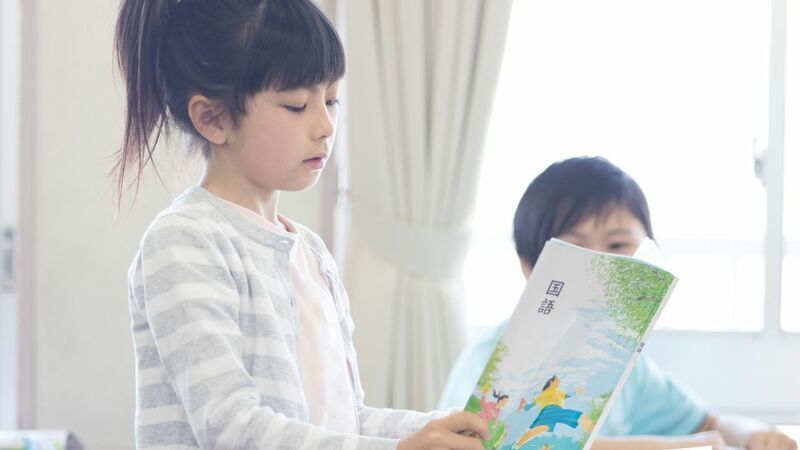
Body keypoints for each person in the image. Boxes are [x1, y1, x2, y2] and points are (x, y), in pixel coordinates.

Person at [114, 1, 487, 448]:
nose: (325, 126)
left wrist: (442, 428)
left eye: (331, 100)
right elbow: (231, 427)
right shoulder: (185, 241)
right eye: (296, 105)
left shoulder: (311, 253)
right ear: (212, 118)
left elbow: (347, 421)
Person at [438, 157, 797, 450]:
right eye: (575, 249)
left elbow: (709, 423)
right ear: (529, 265)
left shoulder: (626, 362)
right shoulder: (493, 358)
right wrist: (685, 445)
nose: (603, 267)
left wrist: (754, 432)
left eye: (617, 246)